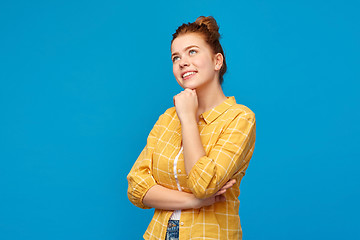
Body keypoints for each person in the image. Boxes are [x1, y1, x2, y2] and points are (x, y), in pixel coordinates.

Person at [127, 16, 256, 240]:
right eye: (176, 57)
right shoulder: (168, 118)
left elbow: (203, 184)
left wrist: (187, 118)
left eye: (192, 52)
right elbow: (137, 186)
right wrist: (194, 202)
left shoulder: (239, 118)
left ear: (217, 62)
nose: (182, 62)